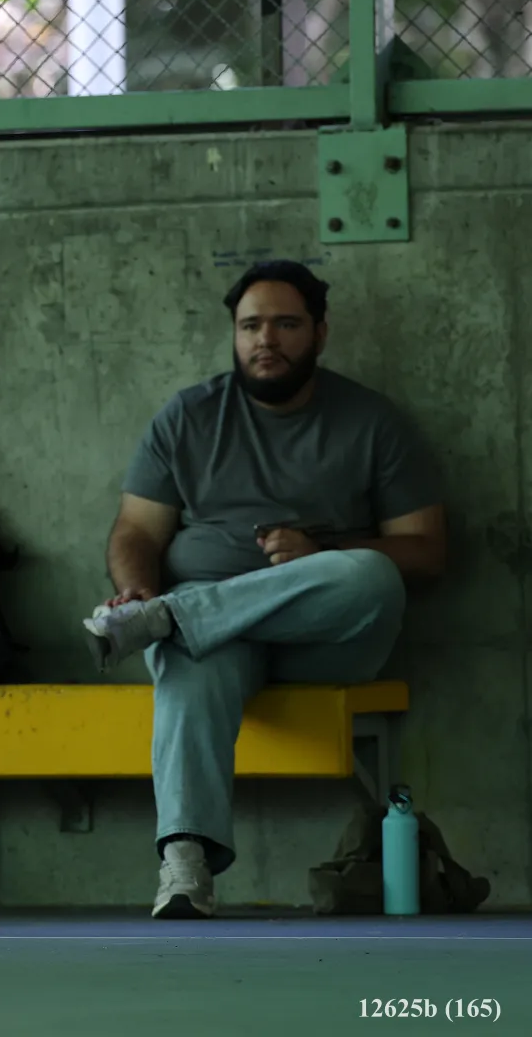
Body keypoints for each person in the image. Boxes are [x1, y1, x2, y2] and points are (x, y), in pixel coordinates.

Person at [83, 261, 445, 920]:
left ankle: (173, 615)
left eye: (286, 324)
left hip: (327, 641)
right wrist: (134, 589)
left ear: (320, 332)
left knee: (369, 574)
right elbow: (135, 528)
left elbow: (426, 549)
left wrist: (322, 553)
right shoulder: (189, 416)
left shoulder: (372, 421)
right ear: (234, 333)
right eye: (250, 326)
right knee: (191, 659)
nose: (265, 340)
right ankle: (185, 865)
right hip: (221, 645)